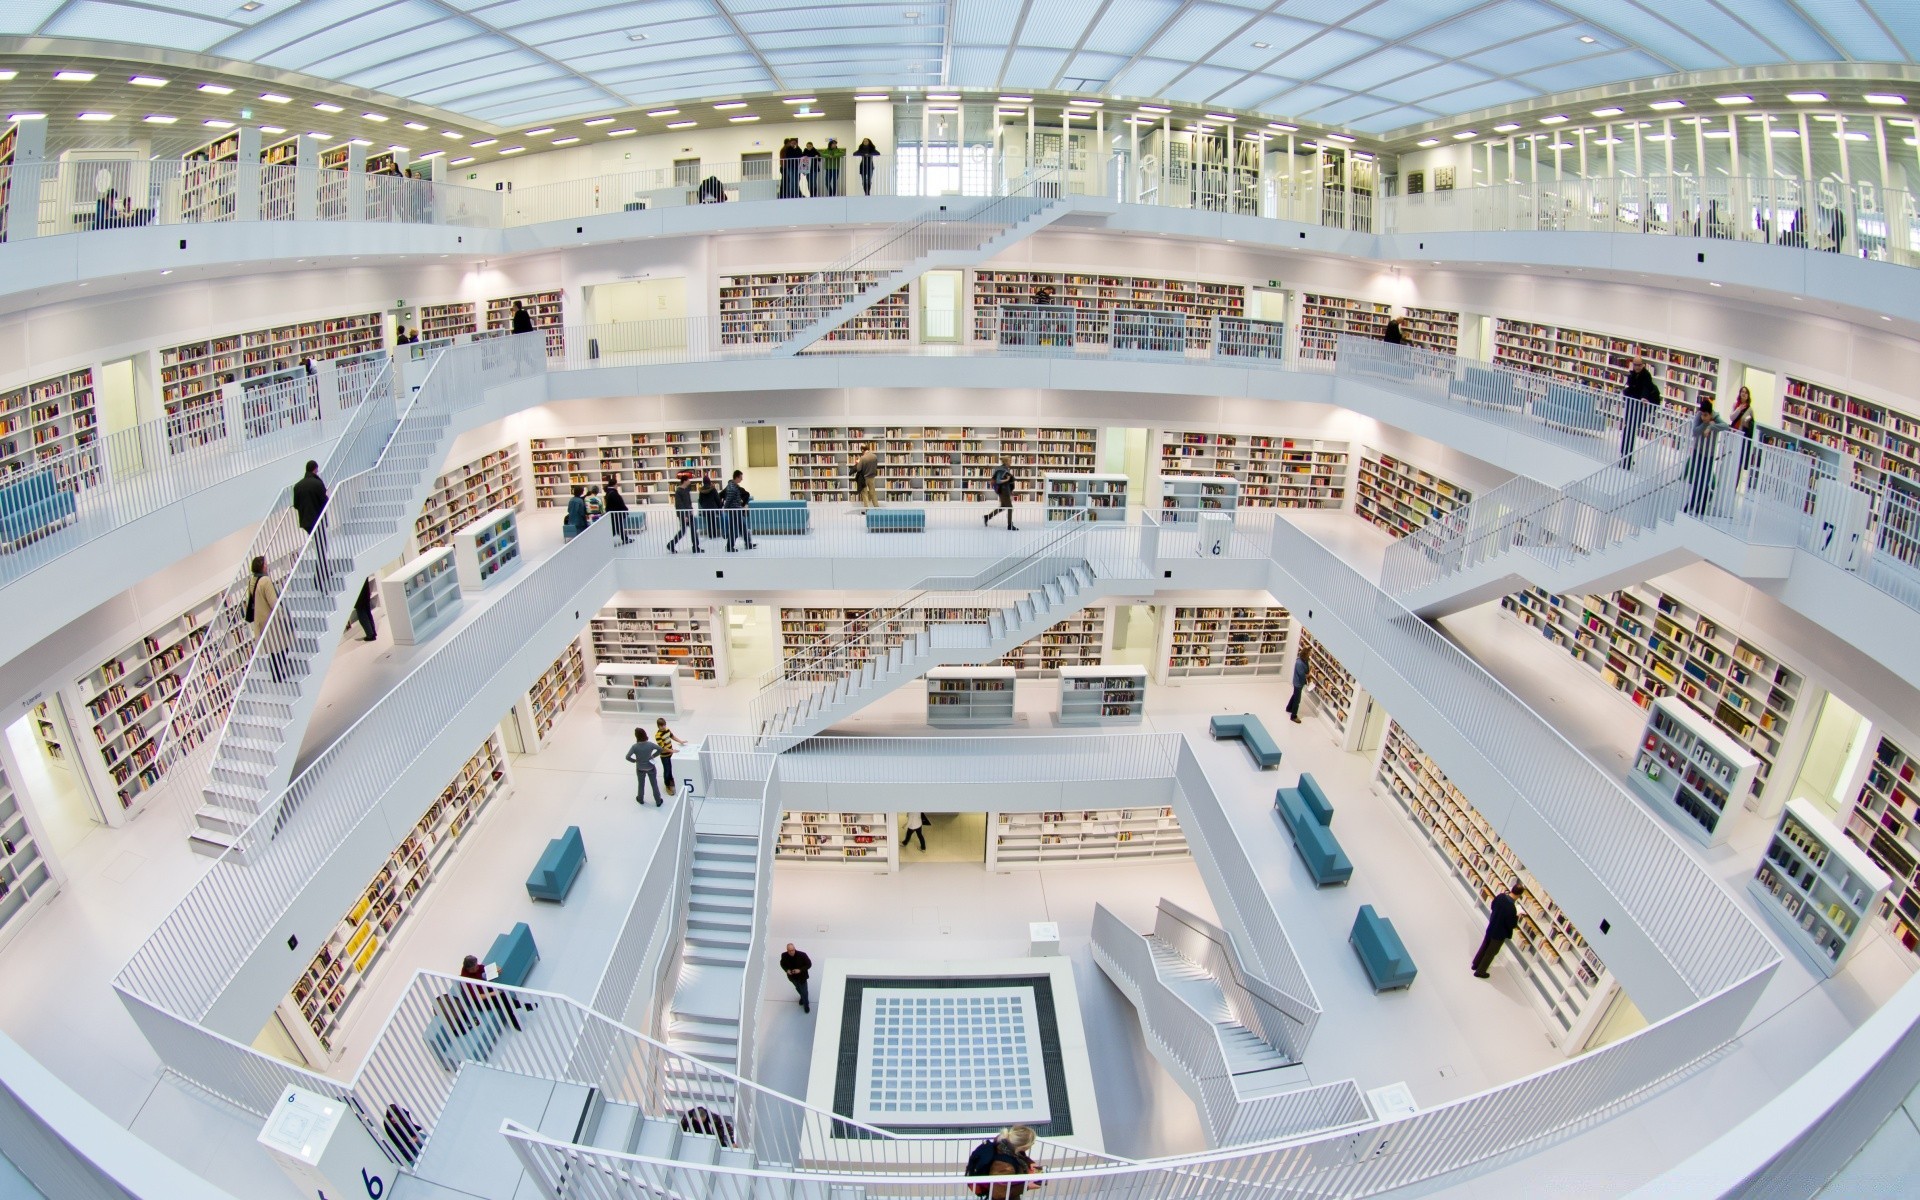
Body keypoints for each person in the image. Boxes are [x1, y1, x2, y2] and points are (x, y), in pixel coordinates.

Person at [459, 953, 532, 1031]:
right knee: (501, 1001)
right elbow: (477, 996)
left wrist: (495, 969)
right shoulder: (465, 980)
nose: (478, 967)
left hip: (485, 990)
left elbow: (484, 969)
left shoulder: (476, 968)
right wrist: (494, 993)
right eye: (475, 967)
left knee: (503, 997)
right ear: (470, 969)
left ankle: (521, 1009)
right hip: (479, 1001)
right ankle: (519, 1011)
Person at [965, 1125, 1040, 1198]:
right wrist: (1027, 1186)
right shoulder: (1004, 1166)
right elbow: (999, 1194)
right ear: (1023, 1146)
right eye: (1031, 1144)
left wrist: (1029, 1162)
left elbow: (1020, 1155)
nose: (1032, 1145)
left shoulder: (1006, 1145)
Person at [292, 460, 331, 587]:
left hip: (307, 522)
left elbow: (296, 505)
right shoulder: (317, 483)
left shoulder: (297, 486)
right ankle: (320, 576)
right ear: (315, 469)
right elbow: (325, 501)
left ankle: (322, 572)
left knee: (318, 547)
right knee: (321, 547)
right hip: (318, 520)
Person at [1472, 880, 1523, 978]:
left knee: (1484, 945)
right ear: (1519, 895)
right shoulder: (1512, 909)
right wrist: (1517, 916)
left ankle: (1475, 964)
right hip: (1499, 934)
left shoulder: (1500, 897)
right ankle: (1480, 971)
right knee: (1491, 953)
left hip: (1491, 927)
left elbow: (1492, 905)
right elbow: (1511, 924)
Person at [1684, 399, 1725, 517]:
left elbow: (1725, 426)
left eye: (1706, 415)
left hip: (1710, 455)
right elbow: (1695, 432)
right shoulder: (1699, 416)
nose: (1703, 416)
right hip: (1698, 452)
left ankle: (1695, 503)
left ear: (1711, 414)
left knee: (1705, 480)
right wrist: (1706, 424)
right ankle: (1693, 503)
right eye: (1702, 414)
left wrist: (1712, 427)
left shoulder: (1716, 417)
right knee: (1697, 479)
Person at [246, 555, 285, 682]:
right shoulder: (265, 581)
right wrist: (282, 616)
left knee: (273, 650)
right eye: (265, 564)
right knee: (281, 646)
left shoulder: (252, 581)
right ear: (261, 567)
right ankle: (281, 672)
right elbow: (273, 602)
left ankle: (276, 675)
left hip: (261, 621)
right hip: (271, 620)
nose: (267, 566)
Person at [1620, 357, 1662, 469]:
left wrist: (1644, 397)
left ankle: (1627, 458)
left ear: (1643, 365)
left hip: (1639, 409)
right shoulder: (1632, 375)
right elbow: (1631, 388)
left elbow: (1645, 389)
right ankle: (1625, 457)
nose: (1637, 367)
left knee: (1630, 432)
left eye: (1639, 365)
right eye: (1635, 365)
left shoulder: (1646, 376)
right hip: (1632, 407)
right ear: (1633, 364)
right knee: (1627, 431)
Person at [1727, 386, 1759, 482]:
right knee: (1729, 459)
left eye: (1746, 392)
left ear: (1748, 395)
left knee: (1738, 463)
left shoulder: (1750, 410)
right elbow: (1732, 418)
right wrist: (1739, 409)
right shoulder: (1735, 405)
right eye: (1742, 392)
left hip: (1741, 438)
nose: (1744, 394)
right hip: (1733, 434)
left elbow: (1751, 425)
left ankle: (1735, 483)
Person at [626, 727, 664, 806]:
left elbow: (627, 757)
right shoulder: (650, 744)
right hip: (650, 767)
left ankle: (640, 799)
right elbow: (660, 749)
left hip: (640, 768)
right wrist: (653, 755)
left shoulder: (634, 746)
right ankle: (658, 801)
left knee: (641, 784)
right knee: (654, 784)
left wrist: (635, 761)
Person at [666, 473, 702, 553]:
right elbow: (679, 504)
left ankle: (696, 547)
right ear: (685, 481)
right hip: (684, 515)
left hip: (689, 513)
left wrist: (691, 510)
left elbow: (688, 502)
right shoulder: (679, 491)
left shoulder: (686, 490)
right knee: (683, 531)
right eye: (688, 479)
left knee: (693, 529)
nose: (689, 481)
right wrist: (684, 515)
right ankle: (671, 544)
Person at [722, 469, 756, 551]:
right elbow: (728, 499)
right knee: (734, 529)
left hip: (737, 510)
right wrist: (726, 509)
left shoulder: (733, 486)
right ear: (737, 477)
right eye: (741, 477)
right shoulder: (732, 488)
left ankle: (748, 543)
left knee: (743, 527)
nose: (742, 479)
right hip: (734, 511)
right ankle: (730, 546)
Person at [654, 717, 688, 795]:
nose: (663, 727)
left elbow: (672, 736)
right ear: (658, 726)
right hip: (664, 755)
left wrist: (680, 741)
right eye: (662, 726)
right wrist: (672, 751)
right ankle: (667, 785)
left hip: (670, 753)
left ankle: (671, 779)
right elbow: (662, 747)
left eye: (664, 725)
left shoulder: (667, 730)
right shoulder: (658, 735)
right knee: (667, 770)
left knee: (670, 768)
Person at [984, 459, 1017, 530]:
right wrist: (1007, 480)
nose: (1011, 462)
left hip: (1004, 491)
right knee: (1010, 508)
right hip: (1004, 491)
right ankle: (1010, 525)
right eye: (1010, 461)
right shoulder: (1001, 470)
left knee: (1002, 507)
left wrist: (1010, 489)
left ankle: (987, 517)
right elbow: (998, 481)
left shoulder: (1004, 469)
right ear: (1006, 462)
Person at [779, 943, 812, 1013]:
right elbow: (782, 964)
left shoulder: (802, 955)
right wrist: (787, 970)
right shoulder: (784, 955)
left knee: (804, 991)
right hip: (792, 978)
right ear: (787, 950)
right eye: (789, 950)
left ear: (794, 949)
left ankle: (806, 1005)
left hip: (802, 977)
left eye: (793, 950)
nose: (791, 952)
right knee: (798, 988)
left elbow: (809, 964)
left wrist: (800, 970)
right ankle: (802, 998)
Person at [602, 475, 632, 545]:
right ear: (615, 484)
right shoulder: (613, 493)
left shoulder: (608, 492)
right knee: (617, 527)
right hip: (616, 513)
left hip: (613, 513)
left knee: (616, 527)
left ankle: (624, 539)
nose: (617, 486)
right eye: (617, 484)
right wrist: (625, 509)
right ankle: (623, 539)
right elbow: (619, 503)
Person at [852, 444, 880, 511]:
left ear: (862, 450)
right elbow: (875, 466)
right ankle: (877, 508)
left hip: (864, 478)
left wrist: (858, 462)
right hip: (872, 477)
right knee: (873, 492)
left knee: (864, 493)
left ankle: (867, 509)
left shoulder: (863, 458)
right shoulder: (874, 456)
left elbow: (858, 469)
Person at [697, 471, 723, 539]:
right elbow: (717, 499)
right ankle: (714, 534)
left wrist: (703, 506)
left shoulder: (701, 491)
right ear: (709, 481)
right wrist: (720, 506)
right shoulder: (713, 489)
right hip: (713, 508)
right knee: (713, 521)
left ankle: (710, 535)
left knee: (708, 521)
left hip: (705, 509)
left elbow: (700, 500)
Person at [350, 577, 377, 642]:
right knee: (368, 612)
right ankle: (372, 632)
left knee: (362, 615)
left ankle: (370, 634)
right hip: (365, 592)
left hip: (360, 596)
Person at [1285, 652, 1308, 724]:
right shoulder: (1299, 663)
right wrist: (1308, 676)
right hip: (1298, 683)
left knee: (1295, 695)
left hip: (1299, 683)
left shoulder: (1304, 661)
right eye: (1308, 654)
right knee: (1297, 700)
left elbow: (1307, 670)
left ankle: (1289, 708)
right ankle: (1293, 716)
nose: (1309, 656)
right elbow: (1302, 675)